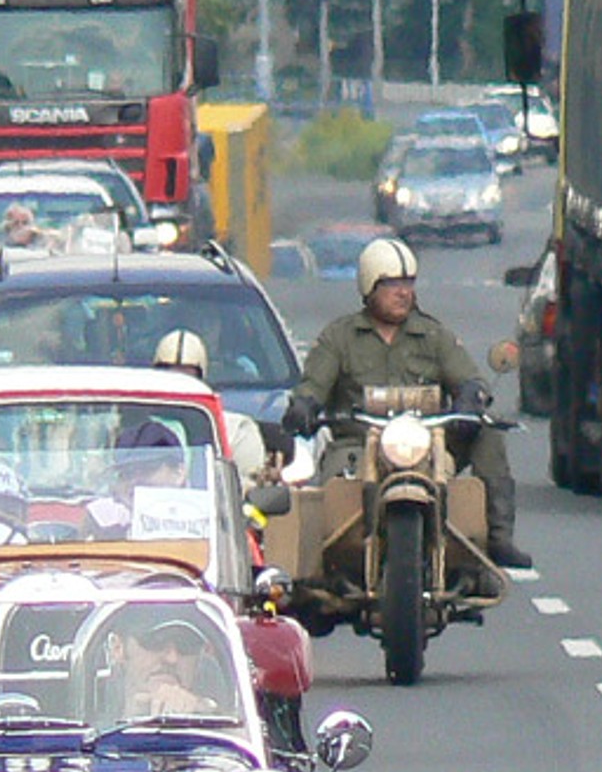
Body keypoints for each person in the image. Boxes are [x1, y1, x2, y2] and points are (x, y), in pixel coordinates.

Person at [283, 236, 532, 568]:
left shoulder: (433, 335)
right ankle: (327, 560)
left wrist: (470, 400)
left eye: (408, 283)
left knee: (488, 434)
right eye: (391, 284)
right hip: (358, 441)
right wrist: (304, 406)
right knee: (331, 498)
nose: (403, 292)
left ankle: (498, 539)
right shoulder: (339, 337)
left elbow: (469, 379)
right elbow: (313, 384)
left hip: (426, 444)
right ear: (369, 286)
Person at [151, 328, 269, 481]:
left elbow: (245, 491)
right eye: (170, 375)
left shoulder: (235, 431)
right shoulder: (133, 426)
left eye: (187, 378)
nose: (177, 386)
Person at [103, 605, 228, 719]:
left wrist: (204, 714)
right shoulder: (91, 726)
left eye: (186, 644)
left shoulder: (225, 735)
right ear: (117, 648)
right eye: (155, 642)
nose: (172, 658)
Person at [86, 419, 186, 539]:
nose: (135, 480)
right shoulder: (106, 525)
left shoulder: (208, 523)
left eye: (147, 468)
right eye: (127, 473)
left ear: (178, 473)